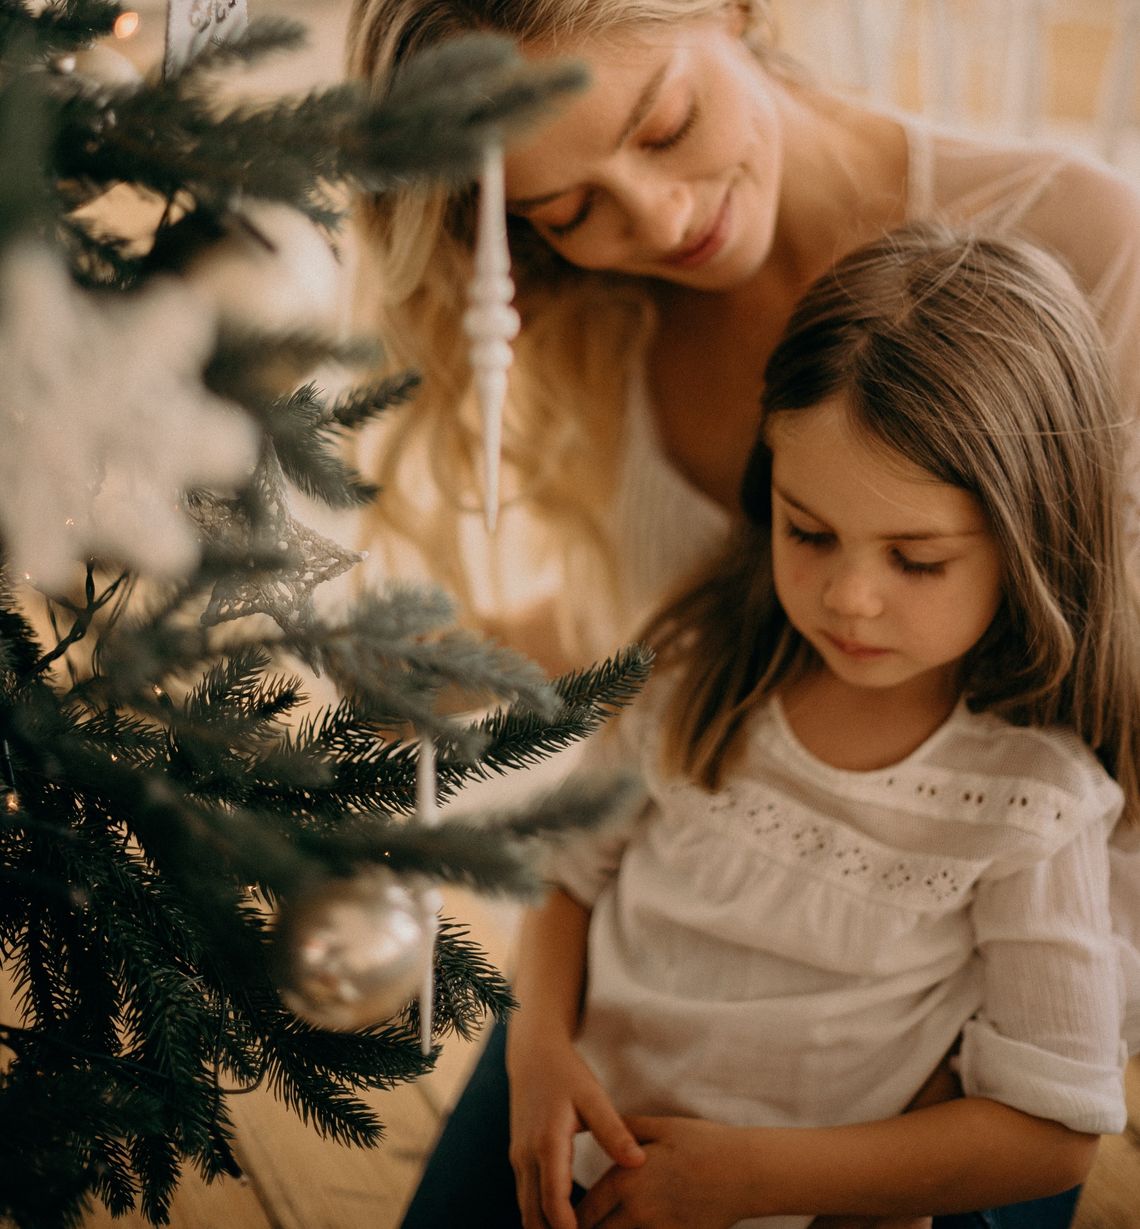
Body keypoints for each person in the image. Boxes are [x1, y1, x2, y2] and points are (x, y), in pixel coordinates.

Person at [346, 0, 1139, 1065]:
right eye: (570, 203)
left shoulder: (1086, 242)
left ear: (730, 9)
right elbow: (664, 618)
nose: (663, 219)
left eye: (666, 123)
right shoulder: (600, 309)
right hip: (658, 943)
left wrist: (974, 1093)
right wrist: (426, 670)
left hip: (955, 1014)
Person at [402, 224, 1139, 1228]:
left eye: (916, 560)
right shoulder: (701, 669)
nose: (850, 597)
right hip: (576, 1156)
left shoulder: (1031, 802)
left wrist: (752, 1180)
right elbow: (570, 875)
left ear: (1030, 541)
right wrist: (536, 1055)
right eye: (809, 530)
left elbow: (1052, 1128)